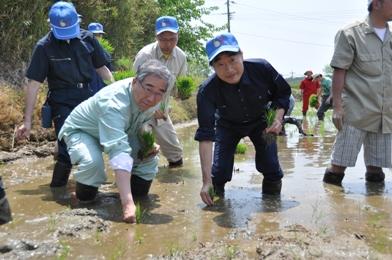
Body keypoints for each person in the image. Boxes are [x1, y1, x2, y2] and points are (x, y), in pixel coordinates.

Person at [58, 59, 173, 223]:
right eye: (148, 89)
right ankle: (81, 198)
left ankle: (134, 197)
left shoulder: (154, 100)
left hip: (120, 130)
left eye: (159, 92)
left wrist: (147, 142)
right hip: (84, 131)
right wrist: (127, 205)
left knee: (148, 157)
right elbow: (119, 152)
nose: (152, 97)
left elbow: (141, 123)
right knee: (93, 164)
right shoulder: (114, 103)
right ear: (135, 82)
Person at [15, 1, 114, 188]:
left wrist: (118, 93)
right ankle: (59, 190)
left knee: (99, 140)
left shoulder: (89, 39)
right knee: (67, 147)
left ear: (77, 22)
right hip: (62, 101)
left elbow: (103, 70)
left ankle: (86, 184)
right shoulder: (44, 47)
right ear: (50, 25)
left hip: (89, 98)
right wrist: (27, 121)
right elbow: (34, 85)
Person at [195, 33, 291, 206]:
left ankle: (271, 207)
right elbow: (206, 136)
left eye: (232, 60)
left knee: (270, 167)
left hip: (262, 122)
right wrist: (205, 181)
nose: (229, 69)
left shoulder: (262, 68)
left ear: (242, 55)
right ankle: (217, 207)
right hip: (227, 125)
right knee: (219, 173)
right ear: (213, 67)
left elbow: (283, 93)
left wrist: (277, 118)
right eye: (220, 64)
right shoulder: (206, 91)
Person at [323, 0, 392, 186]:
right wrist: (337, 106)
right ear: (376, 4)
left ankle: (376, 210)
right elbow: (340, 70)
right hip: (355, 111)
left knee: (376, 170)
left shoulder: (390, 39)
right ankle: (333, 208)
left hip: (383, 115)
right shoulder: (350, 33)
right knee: (338, 167)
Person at [133, 16, 187, 168]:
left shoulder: (181, 57)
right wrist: (151, 108)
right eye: (163, 39)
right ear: (156, 37)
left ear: (178, 36)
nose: (168, 43)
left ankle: (174, 178)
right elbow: (134, 86)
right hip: (140, 111)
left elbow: (178, 87)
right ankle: (140, 179)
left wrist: (182, 93)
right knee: (144, 145)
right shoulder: (145, 55)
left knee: (175, 155)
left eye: (172, 38)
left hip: (162, 113)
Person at [87, 22, 114, 94]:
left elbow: (109, 74)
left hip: (101, 92)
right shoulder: (82, 52)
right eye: (94, 35)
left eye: (99, 35)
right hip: (86, 92)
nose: (97, 37)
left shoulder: (105, 54)